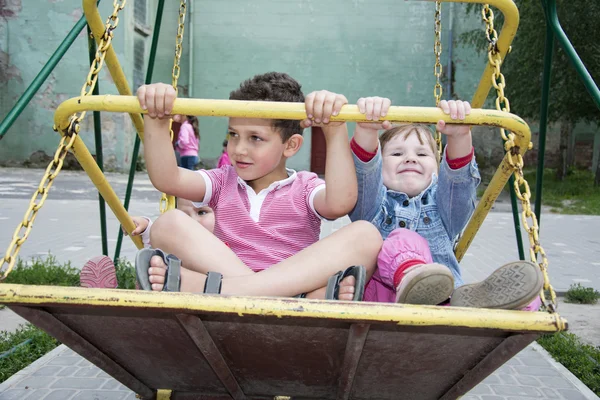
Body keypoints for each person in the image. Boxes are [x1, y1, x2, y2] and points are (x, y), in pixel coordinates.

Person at [135, 72, 382, 300]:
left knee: (366, 235)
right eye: (233, 134)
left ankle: (225, 290)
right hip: (284, 291)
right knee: (167, 223)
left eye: (255, 138)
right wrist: (156, 119)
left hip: (225, 286)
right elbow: (168, 179)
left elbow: (340, 203)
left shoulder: (304, 187)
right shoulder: (222, 181)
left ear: (291, 146)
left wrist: (335, 130)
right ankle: (288, 297)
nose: (239, 149)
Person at [349, 96, 543, 309]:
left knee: (529, 299)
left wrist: (460, 135)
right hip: (384, 302)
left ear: (437, 168)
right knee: (403, 240)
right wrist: (367, 131)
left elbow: (457, 184)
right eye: (397, 153)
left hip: (448, 300)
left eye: (422, 153)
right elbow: (364, 176)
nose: (410, 158)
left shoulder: (442, 208)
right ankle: (415, 279)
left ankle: (485, 307)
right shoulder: (373, 208)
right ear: (379, 166)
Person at [80, 199, 215, 289]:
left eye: (202, 212)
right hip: (164, 307)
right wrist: (146, 228)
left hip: (204, 307)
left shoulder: (225, 248)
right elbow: (163, 240)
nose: (191, 220)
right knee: (155, 263)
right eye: (183, 215)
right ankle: (105, 300)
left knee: (159, 274)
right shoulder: (181, 242)